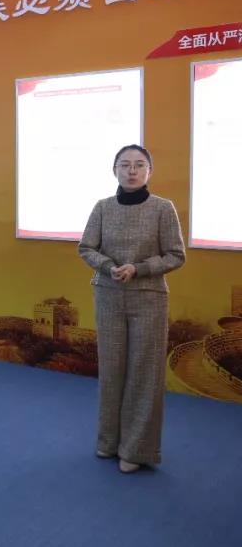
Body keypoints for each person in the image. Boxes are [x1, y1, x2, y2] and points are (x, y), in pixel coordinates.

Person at [78, 144, 185, 474]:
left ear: (149, 171)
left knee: (144, 373)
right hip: (108, 296)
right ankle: (109, 441)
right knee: (111, 370)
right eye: (124, 165)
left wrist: (139, 268)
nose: (132, 170)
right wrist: (108, 265)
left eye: (139, 165)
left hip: (148, 298)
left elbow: (176, 255)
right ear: (115, 171)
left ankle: (136, 450)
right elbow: (86, 248)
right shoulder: (102, 207)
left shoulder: (163, 208)